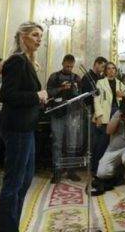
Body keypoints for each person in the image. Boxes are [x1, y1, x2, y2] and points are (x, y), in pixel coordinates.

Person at [0, 22, 48, 232]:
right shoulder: (16, 61)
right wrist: (36, 95)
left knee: (24, 181)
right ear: (22, 36)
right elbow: (6, 95)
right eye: (35, 35)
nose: (39, 40)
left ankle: (12, 226)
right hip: (17, 128)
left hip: (27, 128)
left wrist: (41, 99)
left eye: (40, 37)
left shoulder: (27, 62)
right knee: (14, 183)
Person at [45, 54, 83, 184]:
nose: (69, 68)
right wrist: (61, 88)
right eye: (67, 66)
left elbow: (80, 95)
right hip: (57, 113)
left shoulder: (76, 77)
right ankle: (57, 172)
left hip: (72, 113)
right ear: (62, 63)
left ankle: (71, 171)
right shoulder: (54, 76)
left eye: (71, 66)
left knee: (72, 143)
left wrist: (75, 89)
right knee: (57, 143)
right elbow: (48, 92)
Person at [92, 99, 125, 196]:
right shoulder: (118, 113)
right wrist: (119, 115)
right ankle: (119, 172)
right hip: (113, 149)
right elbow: (109, 131)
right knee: (102, 173)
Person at [92, 62, 125, 183]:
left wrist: (123, 95)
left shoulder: (120, 83)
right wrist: (99, 115)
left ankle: (113, 172)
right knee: (102, 144)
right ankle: (96, 171)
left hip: (118, 114)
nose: (111, 71)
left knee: (115, 144)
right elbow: (96, 99)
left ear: (116, 71)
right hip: (105, 115)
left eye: (113, 69)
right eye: (109, 69)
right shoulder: (100, 83)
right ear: (105, 71)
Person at [83, 56, 107, 178]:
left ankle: (97, 167)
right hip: (90, 112)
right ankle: (91, 168)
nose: (103, 69)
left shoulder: (101, 78)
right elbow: (85, 97)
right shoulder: (87, 77)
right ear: (96, 64)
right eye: (102, 66)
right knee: (92, 141)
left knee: (100, 142)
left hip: (101, 112)